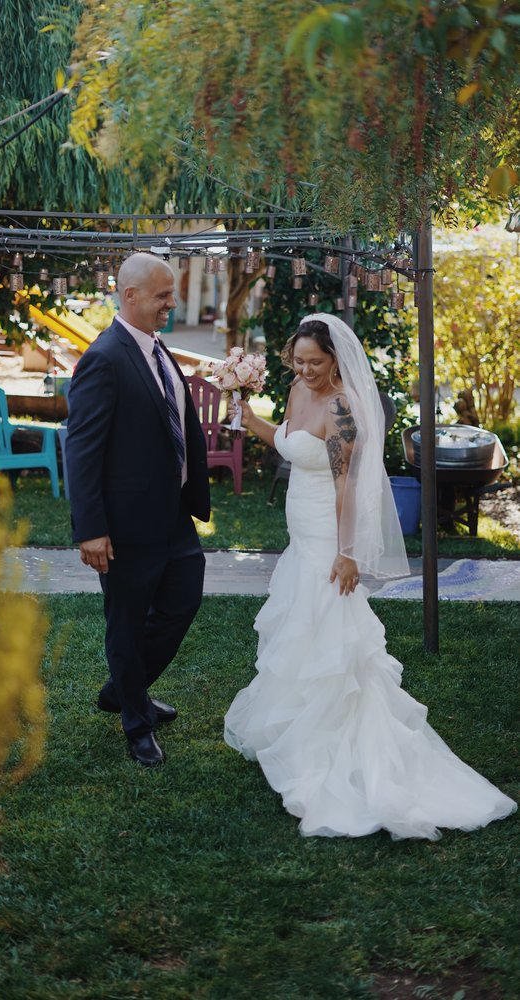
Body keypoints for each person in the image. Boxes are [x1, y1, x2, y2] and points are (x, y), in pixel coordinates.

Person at [224, 313, 516, 840]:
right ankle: (297, 731)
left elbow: (347, 485)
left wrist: (347, 552)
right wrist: (250, 419)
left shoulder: (341, 409)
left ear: (336, 361)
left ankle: (335, 743)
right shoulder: (297, 390)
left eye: (316, 362)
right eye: (299, 361)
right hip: (300, 534)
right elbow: (288, 443)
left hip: (327, 537)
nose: (306, 370)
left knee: (333, 634)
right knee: (300, 630)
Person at [66, 253, 210, 767]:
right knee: (126, 624)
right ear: (129, 295)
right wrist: (91, 529)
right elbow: (81, 449)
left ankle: (123, 689)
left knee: (183, 598)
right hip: (125, 525)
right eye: (162, 296)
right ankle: (137, 723)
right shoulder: (104, 358)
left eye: (172, 294)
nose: (172, 304)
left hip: (172, 514)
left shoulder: (156, 347)